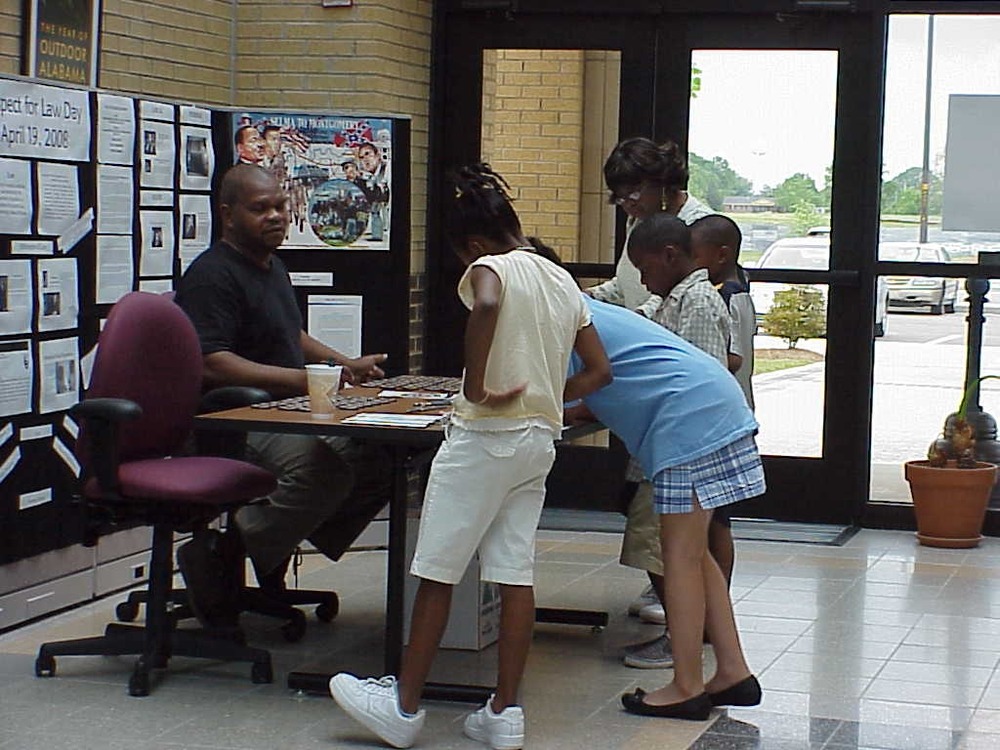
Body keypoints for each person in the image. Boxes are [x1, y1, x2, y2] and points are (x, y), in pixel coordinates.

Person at [329, 163, 611, 750]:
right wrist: (545, 393)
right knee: (514, 571)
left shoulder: (490, 268)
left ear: (476, 245)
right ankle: (504, 713)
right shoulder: (559, 278)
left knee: (437, 568)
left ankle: (403, 707)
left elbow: (484, 304)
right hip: (538, 441)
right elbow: (600, 371)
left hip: (484, 439)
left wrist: (477, 386)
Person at [174, 163, 390, 626]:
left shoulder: (273, 268)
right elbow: (212, 361)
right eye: (260, 209)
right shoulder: (212, 275)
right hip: (230, 418)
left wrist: (342, 364)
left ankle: (266, 542)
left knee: (378, 459)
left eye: (280, 206)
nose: (274, 216)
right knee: (322, 471)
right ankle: (224, 552)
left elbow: (292, 334)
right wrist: (300, 380)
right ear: (228, 214)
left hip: (282, 410)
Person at [564, 294, 762, 721]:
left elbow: (543, 393)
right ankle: (731, 671)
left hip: (686, 422)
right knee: (694, 554)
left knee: (680, 558)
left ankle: (687, 686)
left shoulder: (556, 318)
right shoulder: (583, 309)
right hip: (709, 406)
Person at [586, 137, 714, 645]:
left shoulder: (697, 230)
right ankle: (690, 617)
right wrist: (577, 301)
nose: (626, 204)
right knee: (664, 522)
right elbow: (624, 290)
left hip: (682, 404)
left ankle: (690, 625)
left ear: (663, 184)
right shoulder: (642, 229)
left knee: (688, 530)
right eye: (618, 196)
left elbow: (693, 320)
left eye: (633, 191)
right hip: (652, 395)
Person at [617, 213, 732, 669]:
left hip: (680, 449)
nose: (643, 283)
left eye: (645, 271)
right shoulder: (668, 301)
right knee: (666, 547)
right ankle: (691, 634)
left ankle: (679, 637)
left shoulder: (699, 304)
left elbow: (699, 381)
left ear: (669, 257)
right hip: (659, 446)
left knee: (667, 550)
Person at [691, 214, 757, 588]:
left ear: (720, 254)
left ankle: (717, 593)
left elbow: (733, 356)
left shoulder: (724, 296)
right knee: (716, 513)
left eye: (693, 253)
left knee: (716, 516)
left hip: (723, 416)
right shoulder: (740, 285)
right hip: (735, 411)